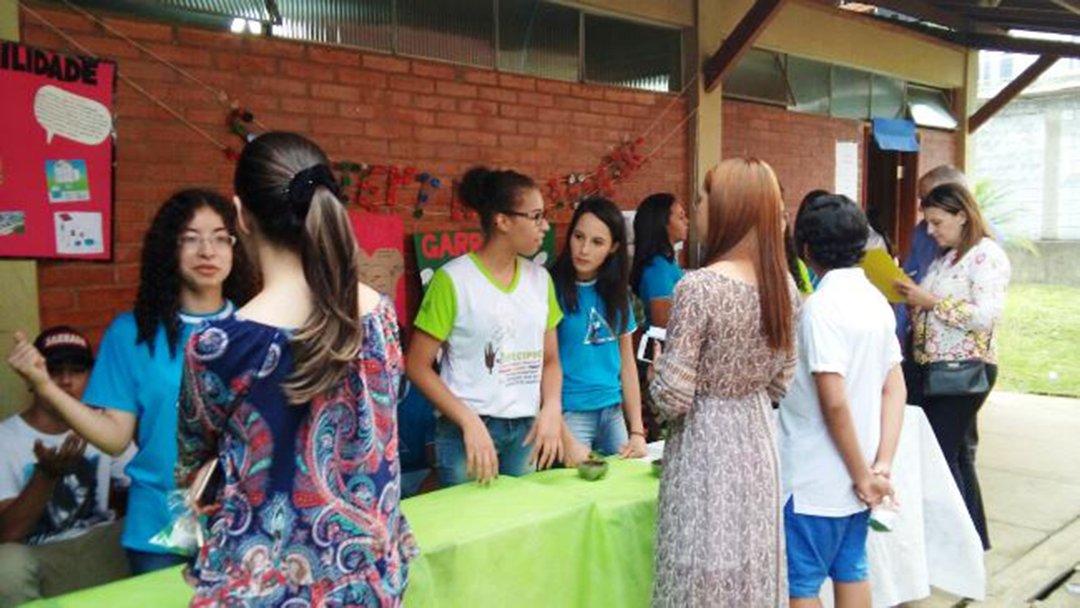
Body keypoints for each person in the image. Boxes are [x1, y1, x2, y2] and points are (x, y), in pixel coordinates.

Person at [175, 132, 417, 604]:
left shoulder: (221, 346)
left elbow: (190, 462)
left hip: (268, 585)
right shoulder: (381, 316)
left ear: (241, 214)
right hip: (369, 579)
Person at [7, 190, 254, 575]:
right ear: (168, 249)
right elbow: (113, 438)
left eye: (221, 237)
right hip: (159, 529)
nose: (208, 250)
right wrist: (45, 386)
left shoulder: (257, 328)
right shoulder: (131, 334)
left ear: (235, 248)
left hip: (242, 525)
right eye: (190, 238)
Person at [650, 158, 799, 607]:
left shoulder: (698, 287)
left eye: (702, 197)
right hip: (757, 440)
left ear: (729, 208)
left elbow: (673, 397)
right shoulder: (783, 286)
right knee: (747, 571)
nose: (696, 208)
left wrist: (656, 375)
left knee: (700, 571)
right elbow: (780, 384)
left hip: (705, 445)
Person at [782, 195, 907, 608]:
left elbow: (833, 402)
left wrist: (861, 475)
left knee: (802, 584)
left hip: (816, 478)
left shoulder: (820, 309)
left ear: (806, 250)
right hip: (862, 476)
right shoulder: (875, 301)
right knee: (851, 569)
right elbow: (896, 388)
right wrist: (879, 467)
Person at [407, 167, 564, 486]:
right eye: (535, 216)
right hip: (468, 434)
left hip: (525, 432)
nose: (544, 226)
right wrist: (468, 421)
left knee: (521, 528)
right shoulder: (452, 280)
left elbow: (550, 361)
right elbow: (417, 366)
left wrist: (552, 408)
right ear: (502, 221)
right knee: (472, 531)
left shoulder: (541, 280)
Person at [895, 182, 1010, 550]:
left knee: (939, 459)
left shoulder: (985, 256)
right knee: (956, 456)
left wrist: (930, 302)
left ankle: (951, 544)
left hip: (964, 371)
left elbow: (987, 315)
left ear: (962, 215)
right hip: (934, 370)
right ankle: (973, 540)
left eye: (937, 222)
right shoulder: (948, 257)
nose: (931, 231)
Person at [1, 327, 130, 605]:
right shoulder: (5, 439)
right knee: (5, 563)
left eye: (77, 370)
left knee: (155, 523)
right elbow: (6, 533)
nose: (66, 380)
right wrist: (45, 477)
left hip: (101, 545)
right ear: (30, 378)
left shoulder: (105, 423)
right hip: (40, 556)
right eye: (54, 370)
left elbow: (148, 487)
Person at [551, 197, 647, 463]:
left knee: (621, 492)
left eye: (597, 242)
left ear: (613, 247)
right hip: (570, 414)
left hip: (612, 412)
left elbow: (627, 364)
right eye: (578, 236)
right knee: (574, 496)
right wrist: (560, 430)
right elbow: (540, 365)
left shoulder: (618, 295)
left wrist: (637, 430)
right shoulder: (549, 289)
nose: (583, 249)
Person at [630, 193, 688, 331]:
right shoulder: (657, 269)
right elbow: (665, 326)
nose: (687, 221)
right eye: (681, 217)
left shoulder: (667, 263)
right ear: (662, 223)